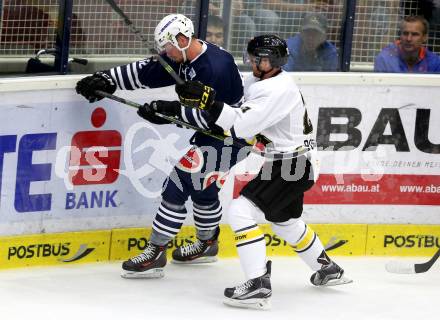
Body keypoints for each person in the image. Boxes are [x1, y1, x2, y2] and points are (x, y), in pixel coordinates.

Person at [157, 35, 352, 310]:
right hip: (292, 162)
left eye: (259, 58)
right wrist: (195, 102)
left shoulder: (277, 90)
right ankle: (327, 268)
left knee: (239, 211)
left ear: (275, 61)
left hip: (292, 164)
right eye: (252, 56)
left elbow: (239, 128)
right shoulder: (259, 82)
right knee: (285, 221)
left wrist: (208, 102)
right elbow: (236, 108)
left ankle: (258, 284)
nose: (253, 61)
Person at [75, 14, 245, 278]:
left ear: (182, 39)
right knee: (203, 189)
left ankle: (155, 252)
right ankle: (208, 243)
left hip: (228, 138)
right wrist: (106, 79)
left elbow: (209, 118)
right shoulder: (185, 55)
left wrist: (166, 111)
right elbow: (149, 70)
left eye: (167, 47)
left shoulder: (215, 67)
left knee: (177, 185)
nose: (165, 53)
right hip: (216, 135)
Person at [374, 15, 440, 73]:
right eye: (405, 33)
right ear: (400, 35)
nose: (409, 39)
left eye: (415, 34)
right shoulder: (385, 59)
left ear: (424, 37)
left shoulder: (434, 62)